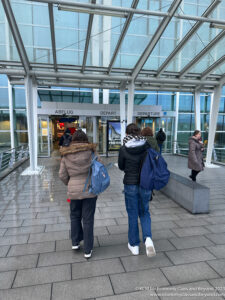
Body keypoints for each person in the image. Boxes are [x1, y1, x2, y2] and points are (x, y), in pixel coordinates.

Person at [118, 123, 156, 257]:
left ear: (127, 134)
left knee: (133, 214)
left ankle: (134, 246)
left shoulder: (123, 149)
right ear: (139, 133)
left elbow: (121, 166)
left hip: (130, 184)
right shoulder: (147, 146)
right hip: (145, 184)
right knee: (145, 212)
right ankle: (148, 239)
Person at [59, 129, 98, 259]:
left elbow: (62, 175)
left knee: (74, 216)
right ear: (86, 139)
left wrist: (70, 184)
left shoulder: (66, 154)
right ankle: (88, 249)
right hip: (90, 190)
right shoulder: (91, 152)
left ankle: (75, 242)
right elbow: (99, 167)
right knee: (88, 219)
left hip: (73, 191)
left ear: (73, 140)